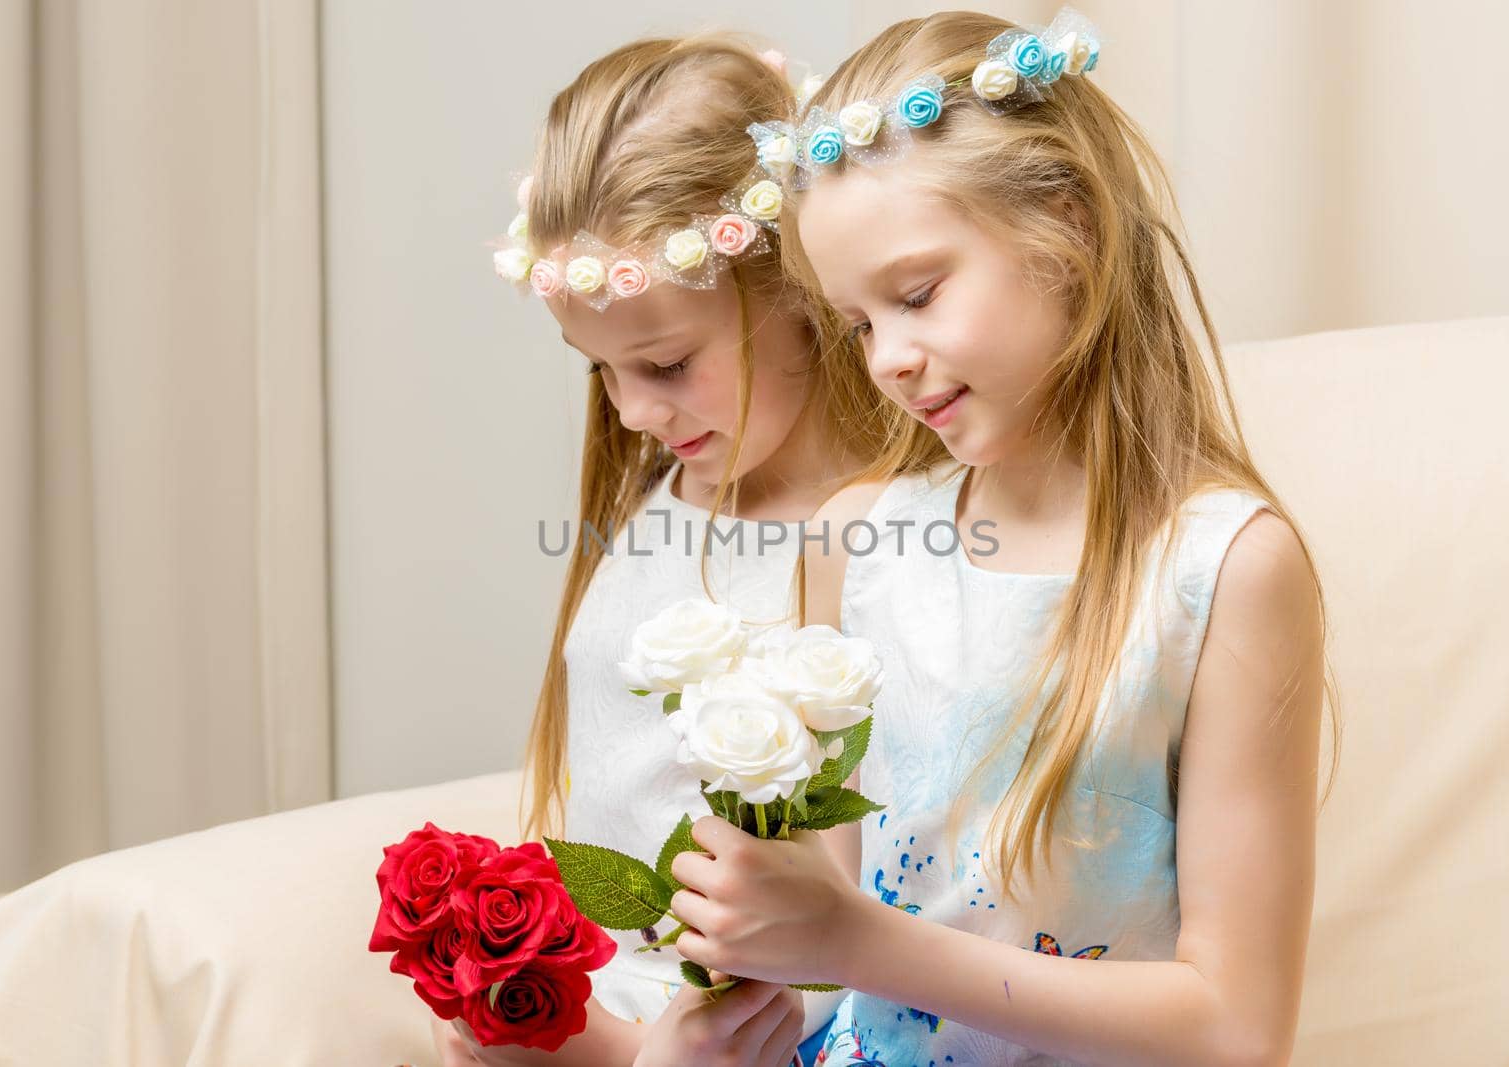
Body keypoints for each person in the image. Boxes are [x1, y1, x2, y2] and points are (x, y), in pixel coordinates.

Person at [667, 10, 1337, 1065]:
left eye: (918, 294)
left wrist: (861, 941)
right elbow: (822, 953)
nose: (885, 357)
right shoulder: (858, 539)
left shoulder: (1222, 570)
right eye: (858, 322)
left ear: (1066, 229)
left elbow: (1236, 1024)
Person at [437, 33, 942, 1067]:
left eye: (664, 362)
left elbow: (879, 906)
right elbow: (609, 819)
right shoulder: (658, 501)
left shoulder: (897, 539)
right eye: (600, 372)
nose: (629, 411)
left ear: (797, 288)